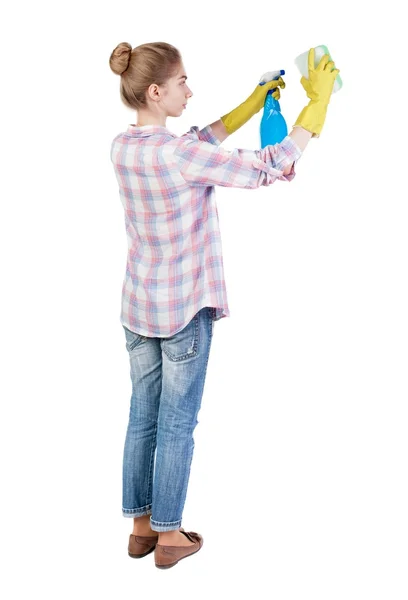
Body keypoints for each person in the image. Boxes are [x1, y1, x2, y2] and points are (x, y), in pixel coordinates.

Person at [109, 41, 339, 569]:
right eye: (183, 82)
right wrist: (316, 107)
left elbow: (196, 144)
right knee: (176, 424)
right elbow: (269, 166)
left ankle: (141, 529)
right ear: (156, 90)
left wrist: (253, 104)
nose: (190, 89)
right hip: (185, 308)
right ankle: (170, 539)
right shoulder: (181, 156)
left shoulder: (124, 146)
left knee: (142, 417)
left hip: (139, 306)